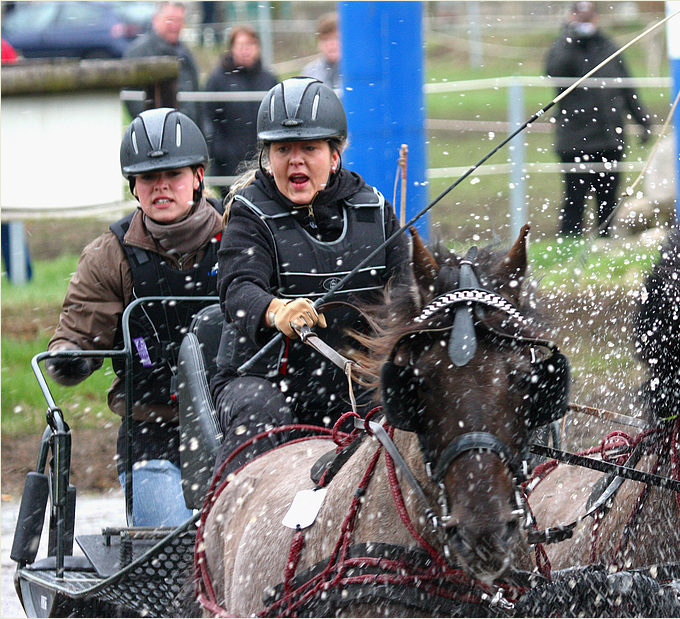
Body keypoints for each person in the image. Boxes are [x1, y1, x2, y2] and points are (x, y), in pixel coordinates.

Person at [211, 77, 409, 474]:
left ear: (334, 156)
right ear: (269, 156)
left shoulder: (375, 210)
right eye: (283, 149)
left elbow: (408, 291)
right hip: (262, 379)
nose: (295, 160)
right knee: (261, 409)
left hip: (355, 380)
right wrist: (273, 310)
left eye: (309, 148)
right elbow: (238, 285)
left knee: (407, 404)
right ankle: (226, 522)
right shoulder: (250, 213)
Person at [45, 108, 223, 527]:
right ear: (133, 187)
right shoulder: (109, 254)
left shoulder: (240, 234)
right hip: (151, 432)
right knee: (171, 544)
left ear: (198, 176)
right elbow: (77, 328)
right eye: (148, 178)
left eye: (173, 175)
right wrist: (72, 355)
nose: (161, 186)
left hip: (232, 423)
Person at [545, 1, 651, 238]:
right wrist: (569, 38)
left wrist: (643, 121)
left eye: (589, 16)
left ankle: (605, 244)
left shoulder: (608, 47)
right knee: (574, 198)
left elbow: (627, 88)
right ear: (571, 17)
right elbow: (554, 72)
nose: (585, 21)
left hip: (609, 139)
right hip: (575, 140)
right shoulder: (563, 47)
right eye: (580, 16)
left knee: (608, 199)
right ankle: (568, 244)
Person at [203, 24, 278, 197]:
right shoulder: (217, 80)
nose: (246, 50)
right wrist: (220, 150)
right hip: (228, 164)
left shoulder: (268, 79)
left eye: (251, 45)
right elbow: (208, 118)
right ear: (232, 48)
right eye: (241, 46)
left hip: (262, 158)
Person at [123, 2, 201, 124]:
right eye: (170, 20)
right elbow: (132, 97)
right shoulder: (139, 51)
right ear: (156, 19)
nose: (175, 25)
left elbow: (196, 95)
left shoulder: (186, 53)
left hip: (187, 129)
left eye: (179, 20)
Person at [300, 12, 341, 96]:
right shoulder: (310, 73)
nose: (331, 45)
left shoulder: (357, 71)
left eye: (336, 38)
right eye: (325, 39)